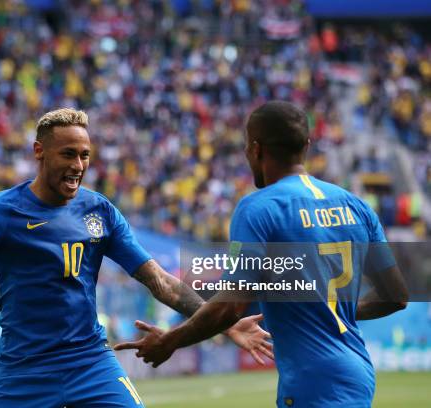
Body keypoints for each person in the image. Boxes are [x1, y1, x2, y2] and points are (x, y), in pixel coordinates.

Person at [0, 108, 272, 407]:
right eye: (68, 154)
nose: (78, 165)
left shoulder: (100, 211)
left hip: (89, 361)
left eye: (85, 155)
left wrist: (225, 321)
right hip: (24, 370)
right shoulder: (2, 212)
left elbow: (159, 280)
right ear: (39, 151)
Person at [115, 101, 409, 407]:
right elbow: (396, 296)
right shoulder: (356, 206)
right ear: (306, 146)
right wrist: (336, 309)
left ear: (255, 149)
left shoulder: (258, 209)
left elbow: (231, 306)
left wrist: (170, 341)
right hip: (358, 371)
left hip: (313, 380)